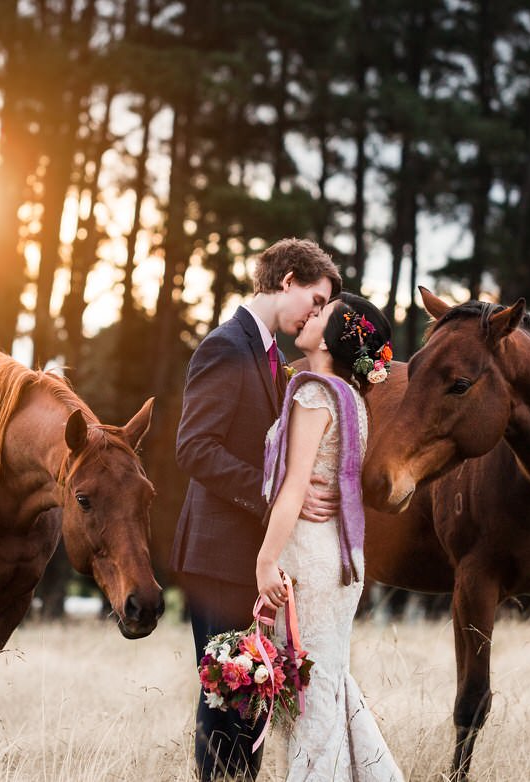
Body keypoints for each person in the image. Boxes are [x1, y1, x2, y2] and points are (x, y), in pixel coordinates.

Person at [172, 238, 342, 781]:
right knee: (226, 699)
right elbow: (194, 447)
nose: (315, 314)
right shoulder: (225, 346)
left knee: (253, 698)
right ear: (287, 279)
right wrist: (276, 494)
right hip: (217, 557)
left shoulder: (271, 358)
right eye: (314, 300)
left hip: (248, 560)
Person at [256, 292, 405, 782]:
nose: (310, 314)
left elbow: (296, 485)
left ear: (336, 334)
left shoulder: (313, 394)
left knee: (309, 699)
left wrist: (265, 560)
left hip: (312, 557)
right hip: (340, 558)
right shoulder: (351, 399)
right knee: (328, 685)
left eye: (321, 313)